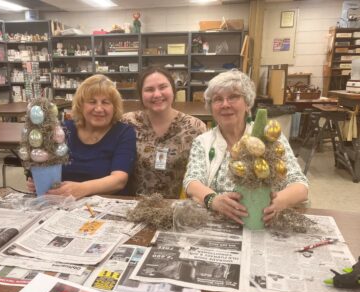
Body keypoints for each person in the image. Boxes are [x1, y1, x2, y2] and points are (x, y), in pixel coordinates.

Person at [183, 70, 308, 225]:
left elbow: (300, 186)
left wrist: (280, 202)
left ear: (248, 103)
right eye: (217, 99)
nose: (225, 104)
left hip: (264, 222)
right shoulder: (203, 142)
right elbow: (192, 182)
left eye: (233, 97)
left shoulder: (269, 138)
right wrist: (212, 200)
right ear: (211, 107)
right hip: (218, 223)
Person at [27, 74, 136, 198]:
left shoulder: (123, 133)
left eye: (106, 102)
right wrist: (38, 180)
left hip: (105, 203)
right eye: (92, 102)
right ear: (81, 105)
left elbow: (119, 180)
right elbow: (44, 164)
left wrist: (81, 189)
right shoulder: (63, 131)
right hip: (61, 204)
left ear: (114, 108)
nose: (99, 108)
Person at [122, 67, 206, 198]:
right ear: (141, 95)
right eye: (149, 89)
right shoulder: (128, 122)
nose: (157, 94)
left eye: (163, 87)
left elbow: (202, 175)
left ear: (173, 90)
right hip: (135, 206)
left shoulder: (195, 127)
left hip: (177, 208)